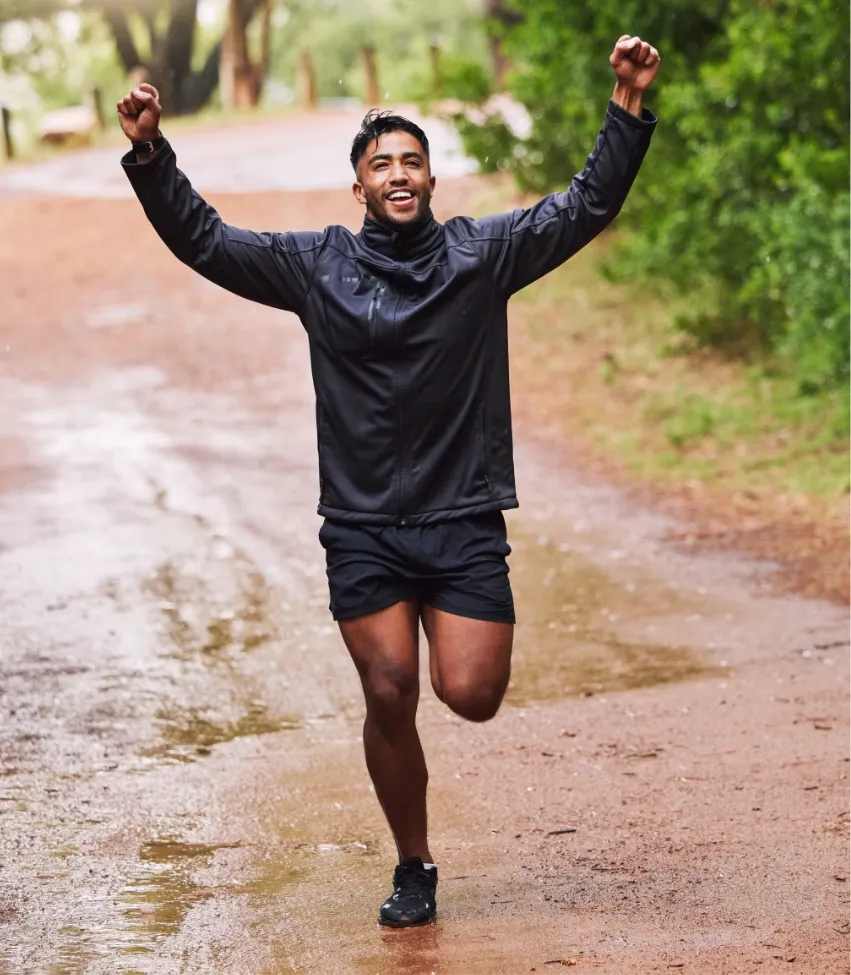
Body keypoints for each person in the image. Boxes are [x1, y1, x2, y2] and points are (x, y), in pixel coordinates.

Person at [117, 33, 660, 928]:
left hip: (462, 519)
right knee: (387, 690)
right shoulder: (316, 265)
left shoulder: (484, 256)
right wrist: (150, 153)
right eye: (381, 163)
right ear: (360, 184)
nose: (398, 173)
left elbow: (584, 204)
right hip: (364, 525)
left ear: (432, 182)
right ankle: (414, 862)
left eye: (412, 160)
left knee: (472, 695)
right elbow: (207, 241)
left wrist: (627, 103)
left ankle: (425, 791)